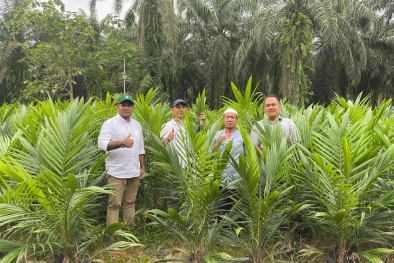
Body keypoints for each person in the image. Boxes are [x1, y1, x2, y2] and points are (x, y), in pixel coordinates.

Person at [98, 94, 146, 245]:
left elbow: (140, 148)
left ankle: (129, 232)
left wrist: (142, 167)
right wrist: (122, 143)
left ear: (133, 107)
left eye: (129, 105)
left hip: (134, 171)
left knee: (130, 202)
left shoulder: (137, 125)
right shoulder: (109, 124)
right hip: (116, 171)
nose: (126, 107)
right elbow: (102, 144)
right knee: (114, 204)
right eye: (123, 105)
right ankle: (111, 237)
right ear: (117, 106)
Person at [160, 99, 205, 210]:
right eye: (178, 107)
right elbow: (160, 145)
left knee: (188, 197)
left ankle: (186, 223)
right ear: (172, 110)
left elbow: (200, 139)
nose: (181, 109)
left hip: (189, 167)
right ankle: (173, 223)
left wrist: (203, 123)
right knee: (172, 197)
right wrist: (167, 139)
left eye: (183, 107)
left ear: (187, 110)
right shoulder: (166, 125)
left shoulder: (192, 126)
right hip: (172, 167)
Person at [211, 108, 244, 213]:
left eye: (232, 117)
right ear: (223, 119)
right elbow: (208, 154)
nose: (230, 119)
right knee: (220, 213)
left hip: (237, 180)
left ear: (236, 120)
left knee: (236, 214)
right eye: (227, 117)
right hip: (220, 180)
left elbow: (248, 155)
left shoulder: (242, 135)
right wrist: (217, 143)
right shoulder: (217, 134)